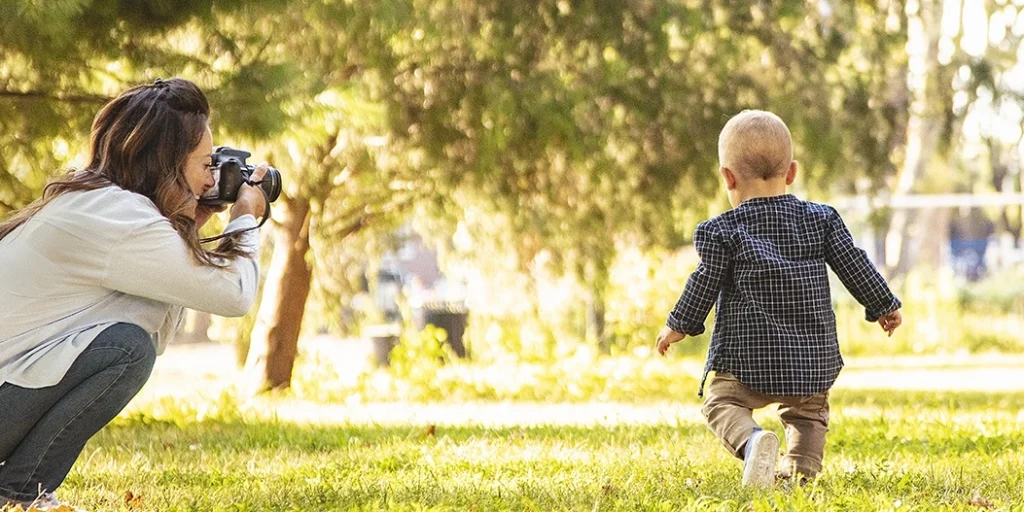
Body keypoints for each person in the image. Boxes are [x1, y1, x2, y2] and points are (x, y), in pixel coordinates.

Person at [0, 78, 270, 509]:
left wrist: (189, 227)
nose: (210, 180)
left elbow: (154, 328)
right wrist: (243, 219)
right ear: (167, 162)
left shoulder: (102, 204)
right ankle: (17, 492)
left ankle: (16, 489)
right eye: (205, 165)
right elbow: (234, 296)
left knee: (130, 345)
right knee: (126, 349)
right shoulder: (121, 218)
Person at [655, 110, 903, 487]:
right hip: (810, 361)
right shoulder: (822, 220)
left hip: (746, 359)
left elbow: (704, 281)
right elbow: (853, 263)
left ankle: (753, 442)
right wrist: (884, 304)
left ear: (727, 177)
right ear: (791, 172)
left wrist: (678, 325)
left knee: (720, 402)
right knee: (808, 415)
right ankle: (800, 474)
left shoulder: (723, 231)